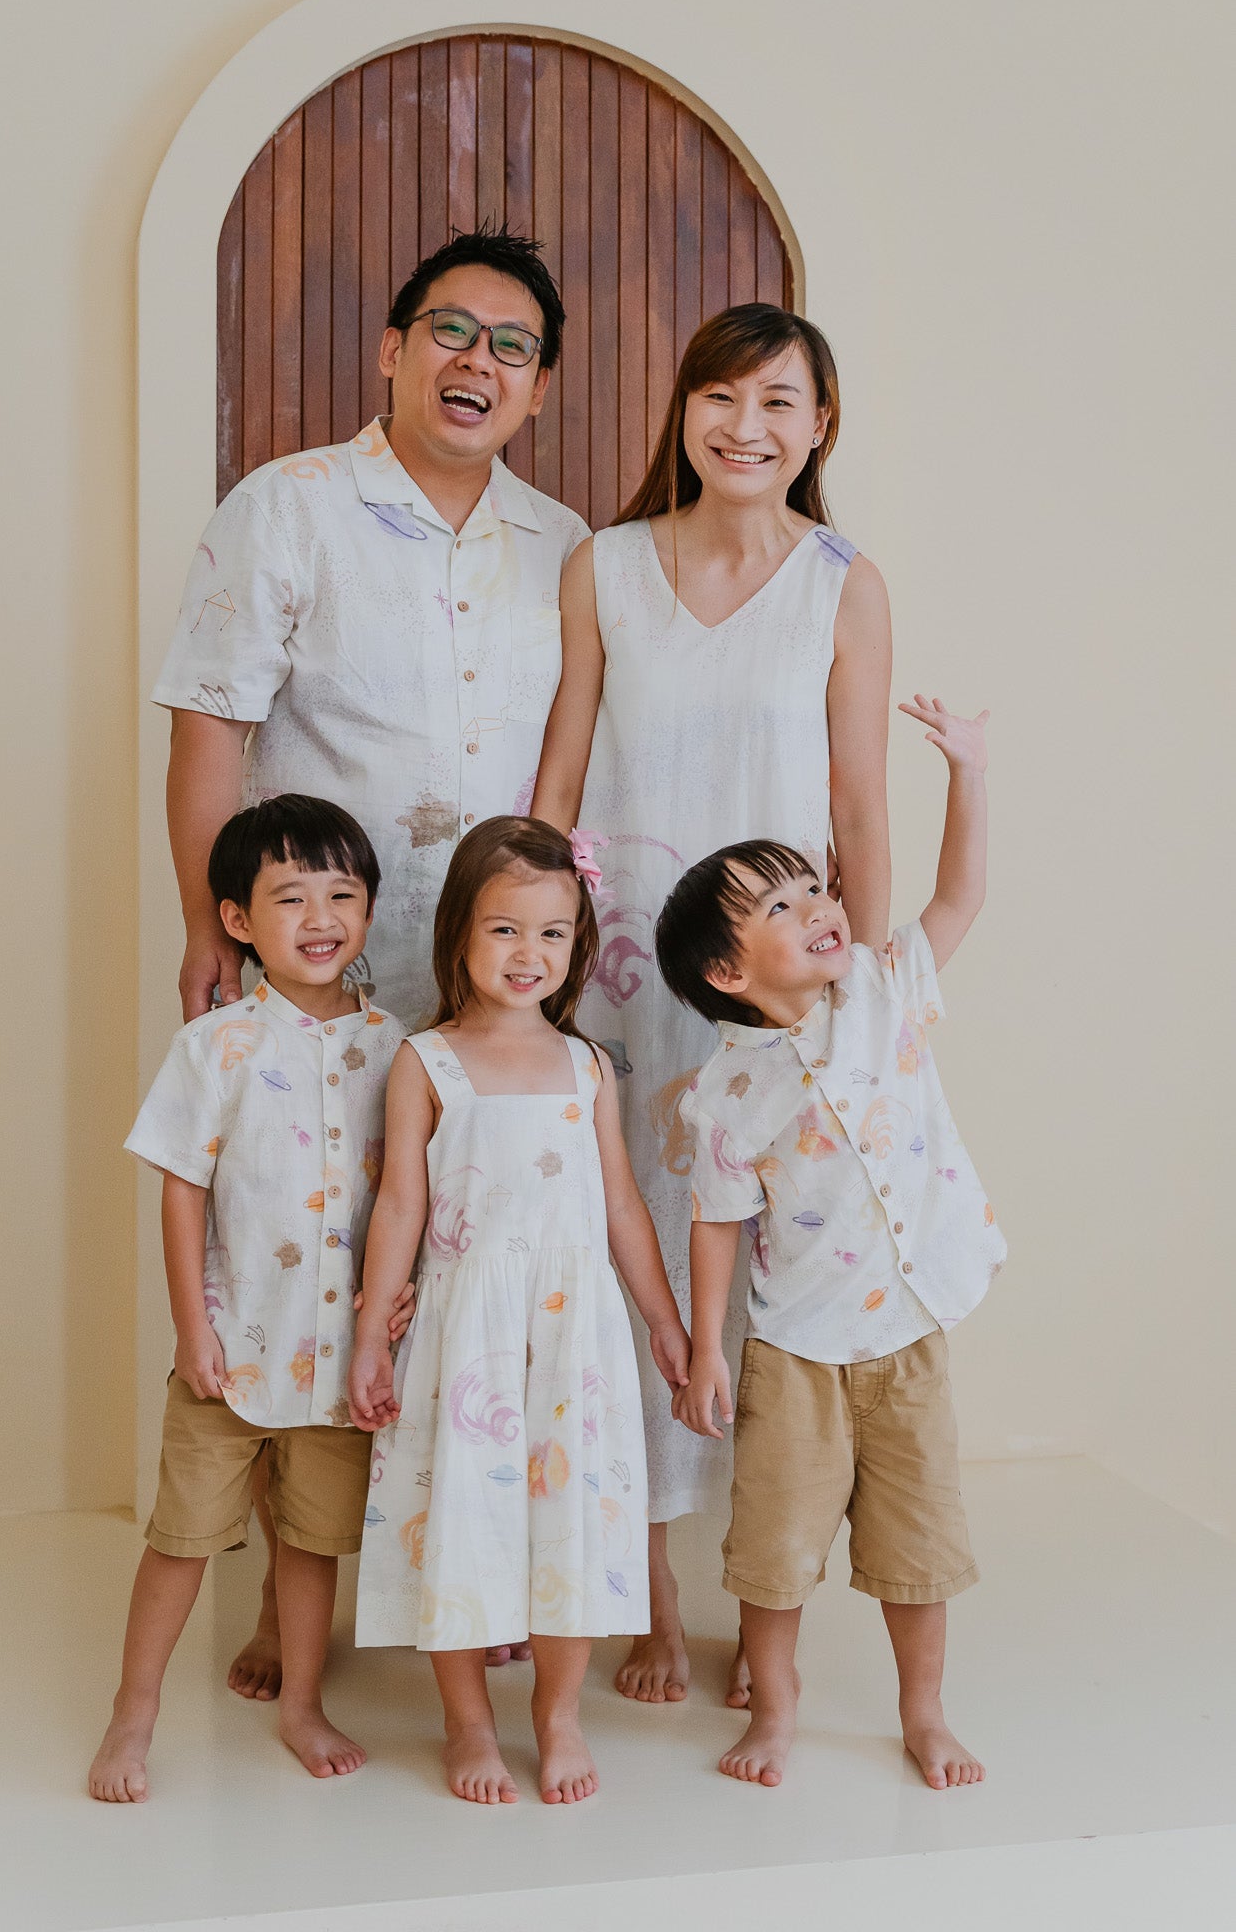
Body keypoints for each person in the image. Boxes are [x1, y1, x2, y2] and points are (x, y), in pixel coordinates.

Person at [153, 227, 588, 1695]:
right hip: (319, 972)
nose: (479, 362)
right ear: (393, 350)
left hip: (486, 986)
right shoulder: (287, 507)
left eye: (514, 347)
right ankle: (296, 1614)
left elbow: (567, 759)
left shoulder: (564, 546)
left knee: (468, 1267)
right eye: (452, 331)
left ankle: (475, 1573)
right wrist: (201, 923)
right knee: (306, 1257)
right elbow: (210, 721)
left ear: (539, 387)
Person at [532, 304, 891, 1706]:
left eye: (778, 401)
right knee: (634, 1263)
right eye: (721, 396)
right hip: (625, 983)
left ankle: (765, 1599)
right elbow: (561, 775)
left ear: (819, 426)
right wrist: (539, 969)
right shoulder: (606, 566)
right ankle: (652, 1598)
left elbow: (857, 804)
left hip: (779, 999)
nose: (746, 426)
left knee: (771, 1280)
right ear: (682, 409)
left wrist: (859, 997)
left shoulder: (844, 584)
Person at [661, 694, 1002, 1791]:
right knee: (774, 1551)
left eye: (814, 886)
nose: (818, 904)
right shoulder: (724, 1093)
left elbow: (961, 894)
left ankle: (923, 1712)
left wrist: (967, 770)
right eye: (781, 903)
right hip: (797, 1349)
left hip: (907, 1328)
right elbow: (717, 1222)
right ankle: (776, 1707)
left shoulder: (885, 990)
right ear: (728, 972)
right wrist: (705, 1350)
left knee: (917, 1546)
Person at [347, 818, 690, 1805]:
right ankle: (466, 1721)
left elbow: (620, 1204)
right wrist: (371, 1334)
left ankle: (558, 1712)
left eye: (550, 932)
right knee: (461, 1515)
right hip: (468, 1335)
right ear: (458, 931)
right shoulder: (427, 1061)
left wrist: (663, 1320)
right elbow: (399, 1205)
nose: (526, 952)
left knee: (568, 1516)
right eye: (503, 929)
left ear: (577, 942)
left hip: (573, 1335)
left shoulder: (586, 1066)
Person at [88, 796, 414, 1801]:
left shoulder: (396, 1045)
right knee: (181, 1540)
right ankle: (133, 1711)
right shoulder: (216, 1045)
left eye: (341, 894)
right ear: (238, 919)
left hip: (340, 1361)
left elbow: (411, 1192)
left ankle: (302, 1703)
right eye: (290, 897)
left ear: (368, 909)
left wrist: (392, 1307)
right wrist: (193, 1328)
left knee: (312, 1545)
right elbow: (181, 1189)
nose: (321, 917)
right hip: (231, 1350)